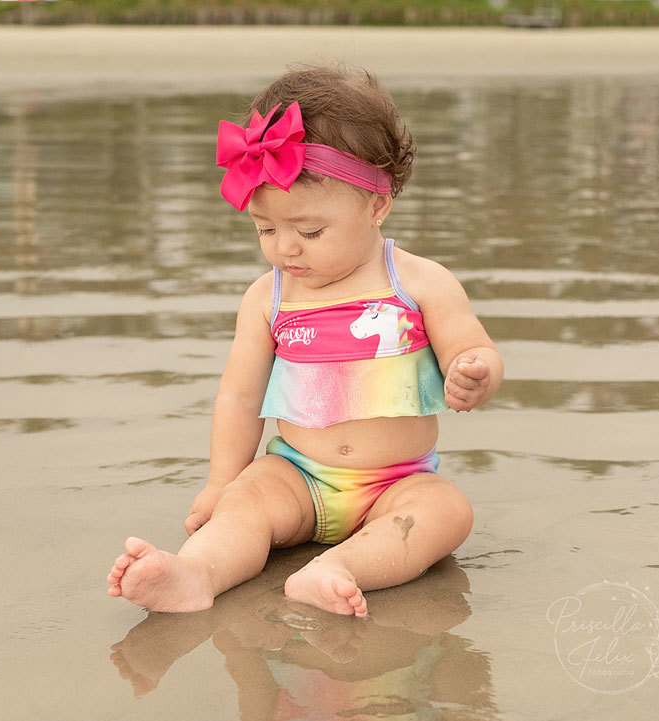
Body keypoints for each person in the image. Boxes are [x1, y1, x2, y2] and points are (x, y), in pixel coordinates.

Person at [107, 65, 503, 616]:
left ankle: (338, 568)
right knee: (246, 501)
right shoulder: (267, 299)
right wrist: (221, 482)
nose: (285, 249)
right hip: (297, 473)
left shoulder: (418, 281)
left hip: (397, 482)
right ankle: (196, 572)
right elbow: (240, 398)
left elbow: (472, 347)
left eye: (310, 231)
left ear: (376, 205)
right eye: (265, 229)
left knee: (446, 512)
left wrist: (473, 369)